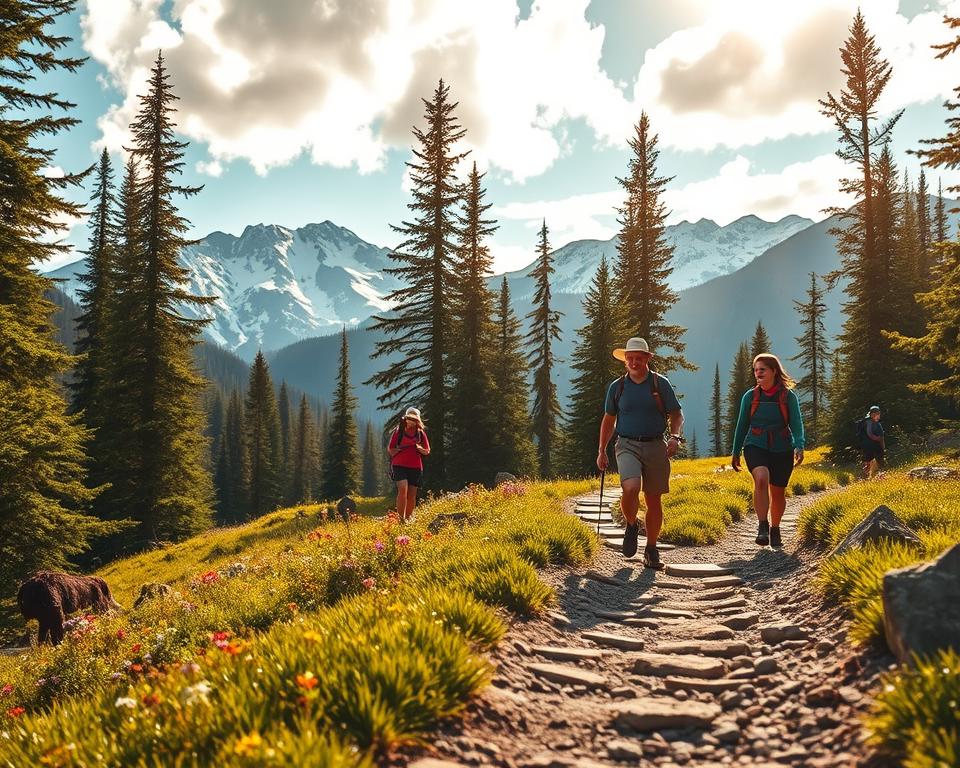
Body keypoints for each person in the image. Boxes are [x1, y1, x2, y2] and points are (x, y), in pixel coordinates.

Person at [597, 337, 684, 569]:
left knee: (653, 500)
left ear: (647, 359)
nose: (634, 362)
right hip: (626, 444)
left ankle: (651, 549)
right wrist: (601, 450)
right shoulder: (617, 387)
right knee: (631, 487)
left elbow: (676, 414)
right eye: (630, 358)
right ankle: (631, 524)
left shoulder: (660, 384)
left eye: (638, 358)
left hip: (656, 445)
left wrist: (675, 437)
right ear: (625, 360)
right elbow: (608, 420)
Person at [730, 354, 805, 548]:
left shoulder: (788, 396)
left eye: (762, 369)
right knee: (761, 478)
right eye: (755, 370)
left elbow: (796, 423)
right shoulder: (751, 396)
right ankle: (762, 525)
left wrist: (799, 444)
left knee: (778, 492)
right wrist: (736, 451)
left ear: (774, 371)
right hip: (756, 444)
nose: (758, 373)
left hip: (782, 448)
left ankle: (775, 528)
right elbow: (741, 425)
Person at [387, 407, 430, 522]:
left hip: (415, 467)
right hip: (399, 465)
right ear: (405, 418)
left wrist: (419, 448)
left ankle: (408, 519)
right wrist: (398, 450)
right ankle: (401, 520)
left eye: (413, 418)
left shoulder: (420, 433)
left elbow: (427, 451)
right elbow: (390, 449)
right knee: (403, 489)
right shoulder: (398, 431)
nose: (410, 420)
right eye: (409, 418)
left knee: (411, 495)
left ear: (417, 420)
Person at [861, 405, 885, 479]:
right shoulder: (873, 423)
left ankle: (866, 478)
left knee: (868, 462)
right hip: (875, 446)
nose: (878, 415)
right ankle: (879, 477)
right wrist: (881, 444)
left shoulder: (866, 422)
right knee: (879, 462)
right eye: (876, 414)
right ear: (872, 414)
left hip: (866, 446)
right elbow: (879, 436)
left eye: (878, 414)